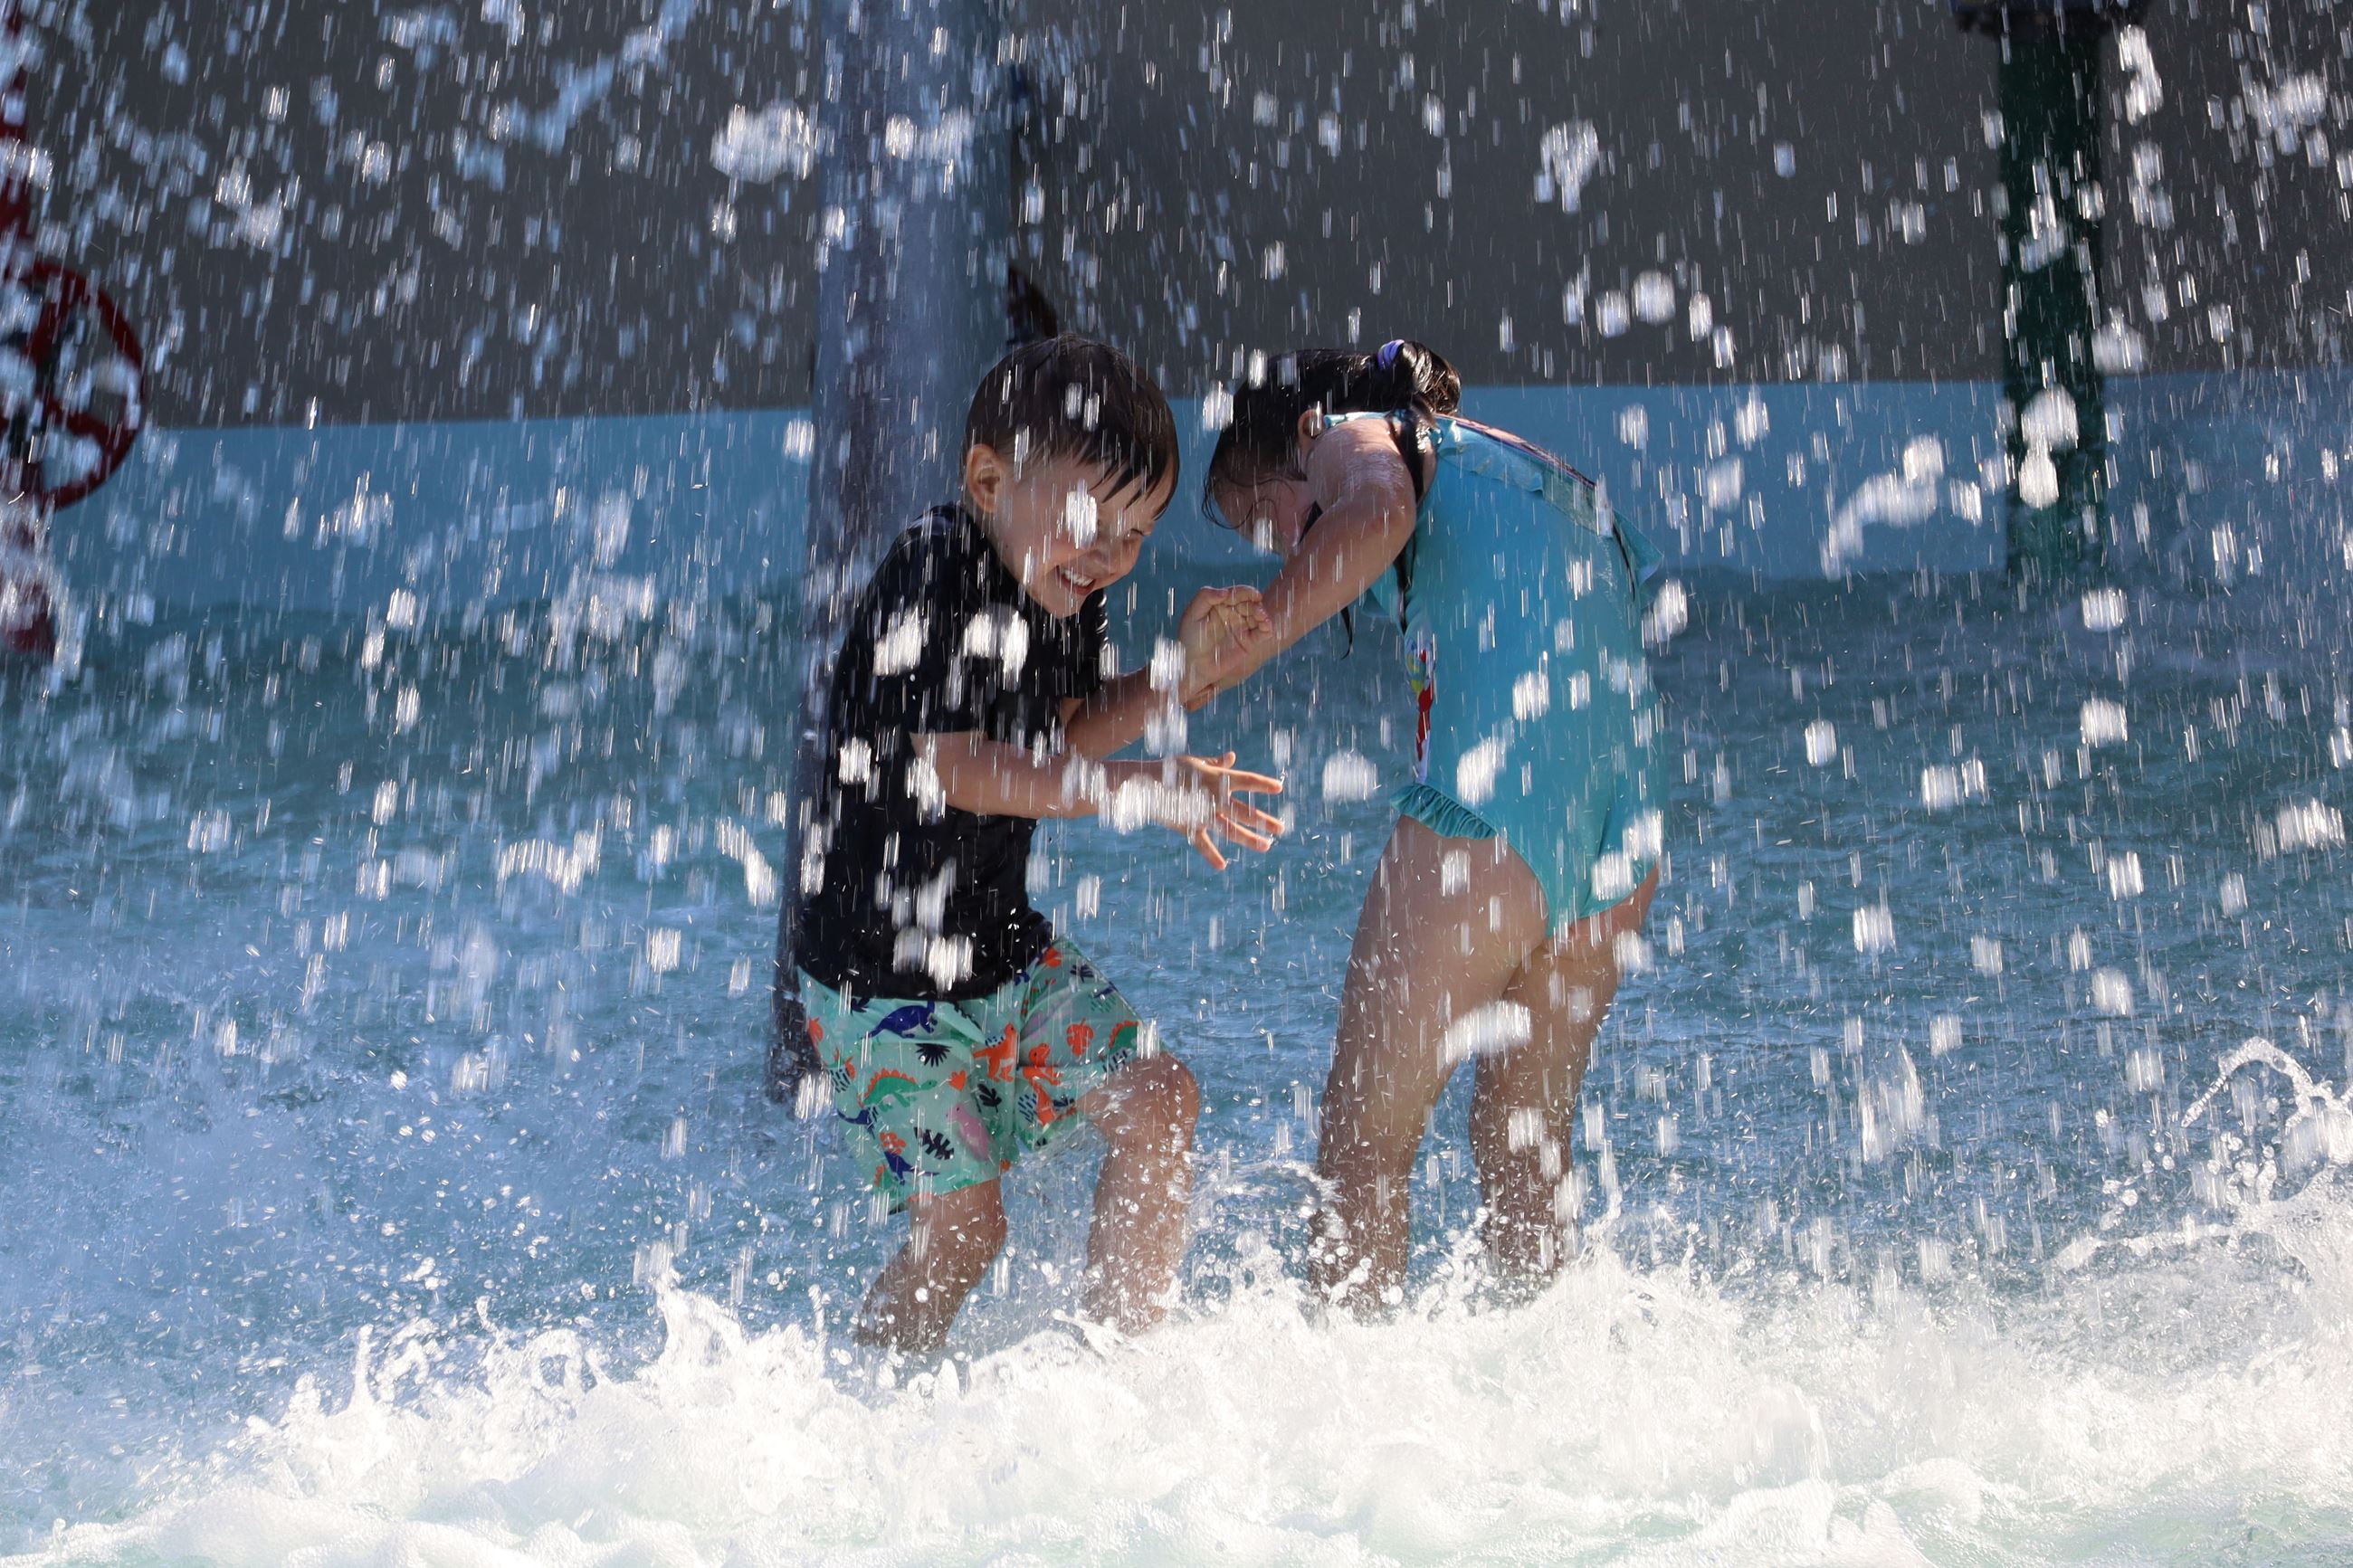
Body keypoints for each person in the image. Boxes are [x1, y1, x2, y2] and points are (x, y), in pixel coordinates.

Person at [787, 334, 1284, 1355]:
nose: (1107, 558)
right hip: (882, 986)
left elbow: (1055, 735)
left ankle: (1115, 1371)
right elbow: (957, 767)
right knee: (965, 1232)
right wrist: (1138, 790)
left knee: (1159, 1100)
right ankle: (869, 1410)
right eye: (1090, 523)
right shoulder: (933, 572)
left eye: (1136, 535)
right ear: (986, 479)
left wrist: (1170, 683)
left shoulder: (1061, 589)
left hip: (997, 950)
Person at [1200, 339, 1664, 1313]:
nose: (1282, 548)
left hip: (1488, 819)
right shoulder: (1506, 462)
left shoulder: (1348, 436)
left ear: (1298, 438)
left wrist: (1254, 637)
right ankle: (1550, 1388)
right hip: (1619, 839)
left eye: (1267, 519)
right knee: (1520, 1140)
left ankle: (1348, 1422)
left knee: (1361, 1145)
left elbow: (1375, 510)